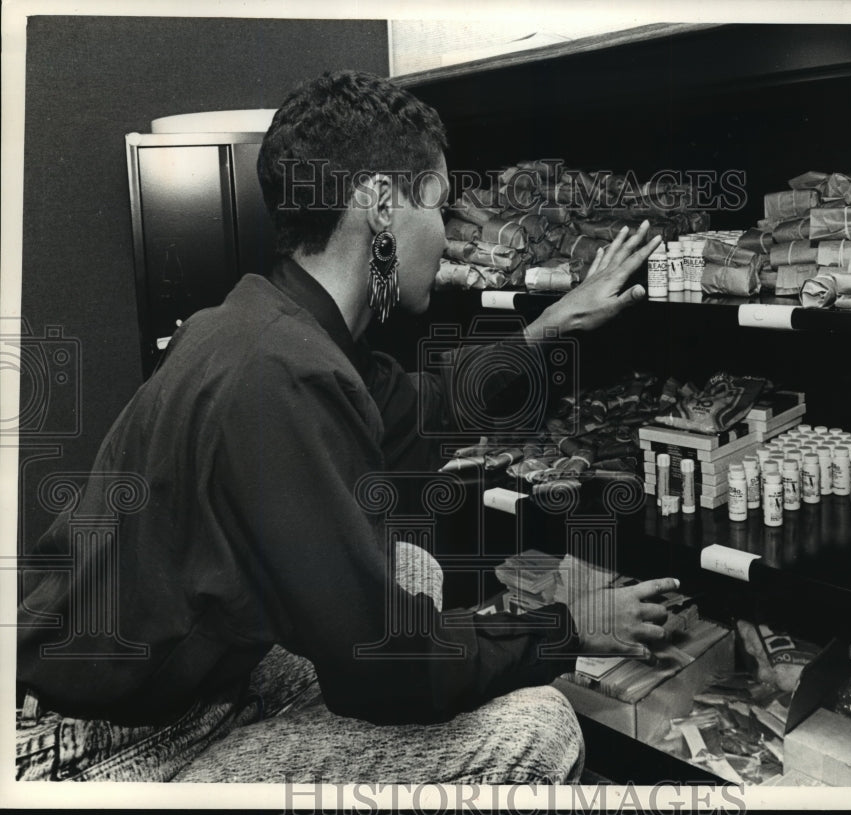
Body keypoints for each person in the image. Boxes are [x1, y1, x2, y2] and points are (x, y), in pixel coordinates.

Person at [16, 70, 678, 783]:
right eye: (440, 207)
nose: (450, 240)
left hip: (179, 681)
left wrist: (546, 328)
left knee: (410, 569)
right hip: (105, 750)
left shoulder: (263, 323)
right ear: (381, 205)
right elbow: (385, 665)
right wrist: (569, 625)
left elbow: (423, 406)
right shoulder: (284, 375)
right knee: (540, 726)